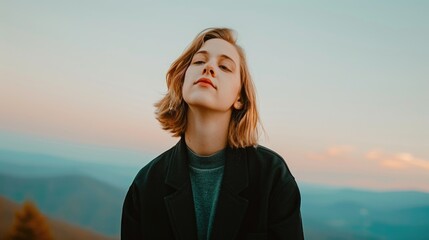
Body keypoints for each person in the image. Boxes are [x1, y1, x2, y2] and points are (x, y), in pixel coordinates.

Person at [121, 27, 304, 240]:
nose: (208, 67)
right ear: (182, 82)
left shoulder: (273, 177)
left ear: (240, 98)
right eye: (199, 61)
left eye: (225, 66)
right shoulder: (145, 185)